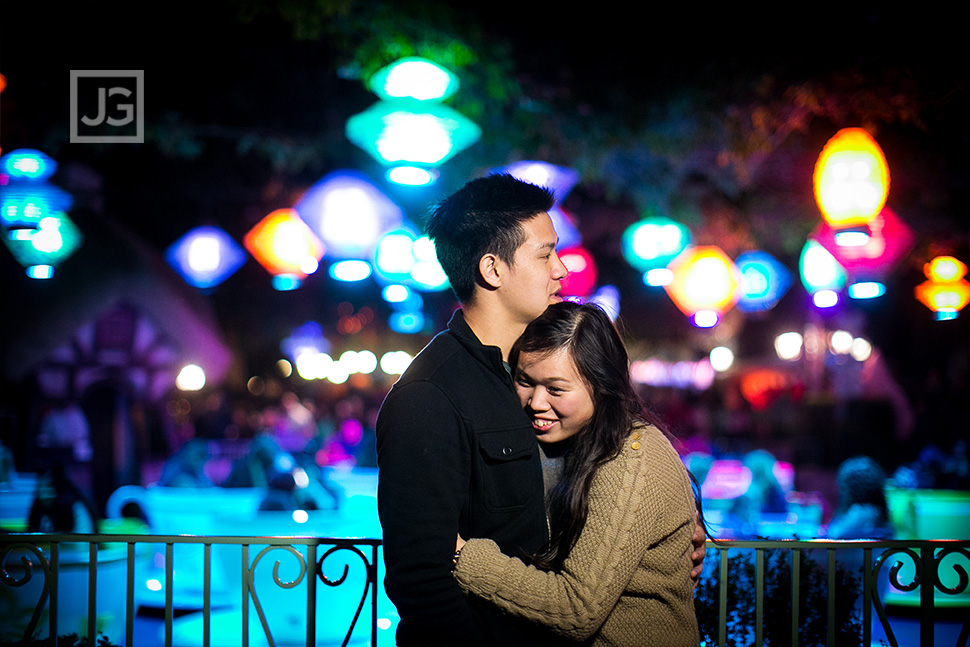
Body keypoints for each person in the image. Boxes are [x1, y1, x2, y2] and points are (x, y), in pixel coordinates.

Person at [376, 174, 705, 646]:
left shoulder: (530, 377)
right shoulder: (430, 395)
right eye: (545, 253)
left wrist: (672, 524)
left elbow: (614, 469)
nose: (561, 271)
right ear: (492, 269)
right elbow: (421, 583)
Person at [452, 301, 700, 646]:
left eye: (555, 389)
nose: (536, 401)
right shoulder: (568, 441)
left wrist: (463, 556)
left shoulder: (630, 457)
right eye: (525, 381)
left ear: (601, 385)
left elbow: (576, 609)